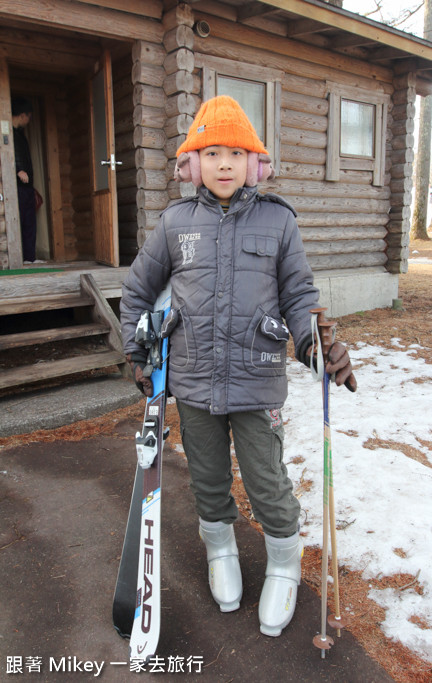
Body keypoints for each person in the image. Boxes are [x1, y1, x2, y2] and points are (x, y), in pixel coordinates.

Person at [120, 95, 356, 637]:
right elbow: (137, 290)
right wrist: (139, 352)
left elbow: (299, 296)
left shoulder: (278, 222)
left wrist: (315, 346)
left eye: (235, 152)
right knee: (206, 479)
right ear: (192, 162)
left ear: (253, 162)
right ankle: (220, 551)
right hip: (194, 382)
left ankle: (282, 564)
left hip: (256, 380)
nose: (223, 163)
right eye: (211, 152)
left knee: (267, 479)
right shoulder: (176, 223)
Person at [12, 96, 37, 263]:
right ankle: (20, 259)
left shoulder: (20, 134)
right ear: (23, 115)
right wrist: (18, 170)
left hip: (27, 186)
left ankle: (29, 258)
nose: (28, 121)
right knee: (20, 220)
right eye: (28, 117)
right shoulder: (7, 133)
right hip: (17, 186)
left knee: (29, 220)